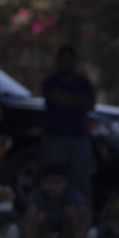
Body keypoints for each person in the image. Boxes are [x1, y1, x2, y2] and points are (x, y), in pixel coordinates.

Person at [41, 45, 95, 201]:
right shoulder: (51, 82)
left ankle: (82, 217)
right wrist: (77, 100)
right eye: (63, 59)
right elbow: (55, 98)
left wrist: (66, 99)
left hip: (80, 136)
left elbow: (90, 103)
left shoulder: (83, 82)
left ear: (75, 61)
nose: (67, 63)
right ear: (58, 61)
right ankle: (51, 215)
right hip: (55, 136)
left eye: (70, 59)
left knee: (81, 179)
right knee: (53, 178)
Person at [8, 161, 91, 238]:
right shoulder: (37, 194)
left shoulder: (73, 193)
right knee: (39, 216)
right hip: (45, 235)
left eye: (58, 182)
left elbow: (85, 217)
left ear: (66, 182)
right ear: (42, 182)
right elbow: (29, 217)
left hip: (66, 234)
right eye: (49, 182)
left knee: (72, 212)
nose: (54, 187)